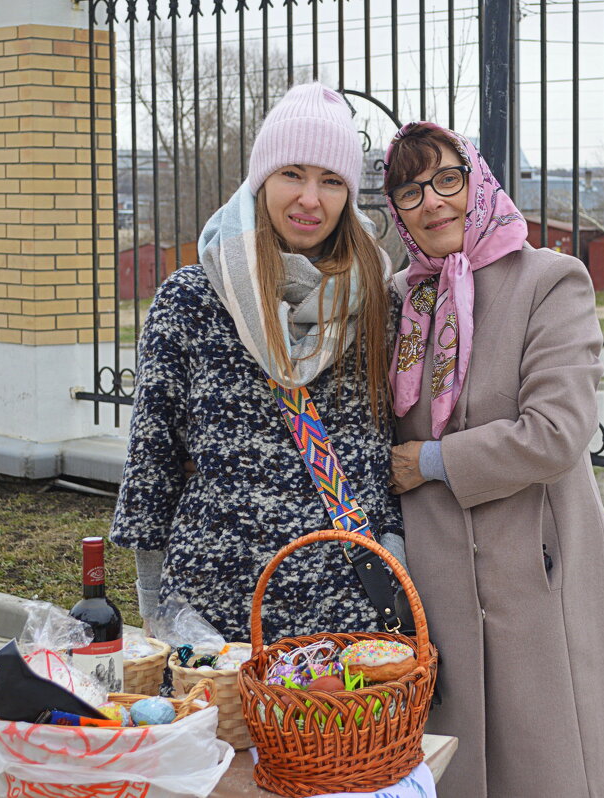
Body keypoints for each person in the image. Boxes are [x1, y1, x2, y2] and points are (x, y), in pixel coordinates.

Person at [383, 122, 604, 798]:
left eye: (447, 179)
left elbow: (557, 432)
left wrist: (434, 462)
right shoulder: (400, 302)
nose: (433, 202)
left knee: (552, 764)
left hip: (536, 566)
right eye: (410, 191)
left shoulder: (550, 281)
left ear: (478, 184)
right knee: (463, 765)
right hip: (439, 575)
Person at [110, 83, 405, 643]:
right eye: (292, 173)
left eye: (332, 180)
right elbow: (153, 458)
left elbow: (378, 449)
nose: (310, 199)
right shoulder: (192, 299)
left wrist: (394, 556)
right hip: (213, 617)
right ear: (260, 178)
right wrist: (154, 606)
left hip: (348, 617)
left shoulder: (374, 301)